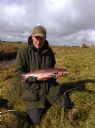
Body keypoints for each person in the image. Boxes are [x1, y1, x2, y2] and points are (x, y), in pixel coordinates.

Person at [15, 25, 72, 126]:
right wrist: (34, 78)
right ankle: (43, 104)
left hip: (49, 84)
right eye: (36, 38)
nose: (38, 41)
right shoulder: (23, 52)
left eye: (41, 38)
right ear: (32, 37)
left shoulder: (49, 51)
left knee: (67, 105)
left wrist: (56, 75)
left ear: (45, 38)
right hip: (32, 88)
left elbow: (52, 68)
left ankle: (48, 101)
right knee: (36, 121)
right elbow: (19, 74)